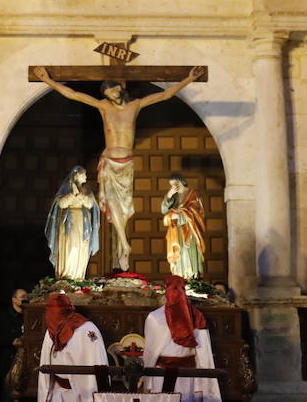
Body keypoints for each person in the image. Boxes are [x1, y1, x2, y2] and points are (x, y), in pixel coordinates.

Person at [33, 65, 204, 271]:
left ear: (119, 88)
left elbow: (165, 95)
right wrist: (48, 81)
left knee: (124, 206)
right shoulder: (104, 106)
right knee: (112, 203)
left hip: (127, 163)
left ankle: (123, 246)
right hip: (109, 160)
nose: (111, 95)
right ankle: (124, 244)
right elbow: (74, 95)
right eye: (107, 93)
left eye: (113, 90)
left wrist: (189, 79)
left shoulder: (136, 105)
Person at [45, 166, 100, 280]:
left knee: (82, 248)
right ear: (77, 175)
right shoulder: (67, 189)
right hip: (68, 222)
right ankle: (67, 275)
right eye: (83, 174)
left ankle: (78, 275)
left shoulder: (86, 189)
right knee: (71, 247)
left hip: (83, 222)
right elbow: (60, 204)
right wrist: (72, 195)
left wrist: (79, 195)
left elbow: (90, 204)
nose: (85, 176)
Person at [161, 174, 206, 279]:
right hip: (176, 231)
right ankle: (180, 277)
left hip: (190, 230)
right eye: (172, 186)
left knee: (189, 251)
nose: (174, 187)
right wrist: (169, 196)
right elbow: (164, 210)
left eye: (175, 184)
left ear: (181, 182)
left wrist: (180, 215)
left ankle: (192, 276)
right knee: (179, 253)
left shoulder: (192, 195)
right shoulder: (174, 196)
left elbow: (197, 212)